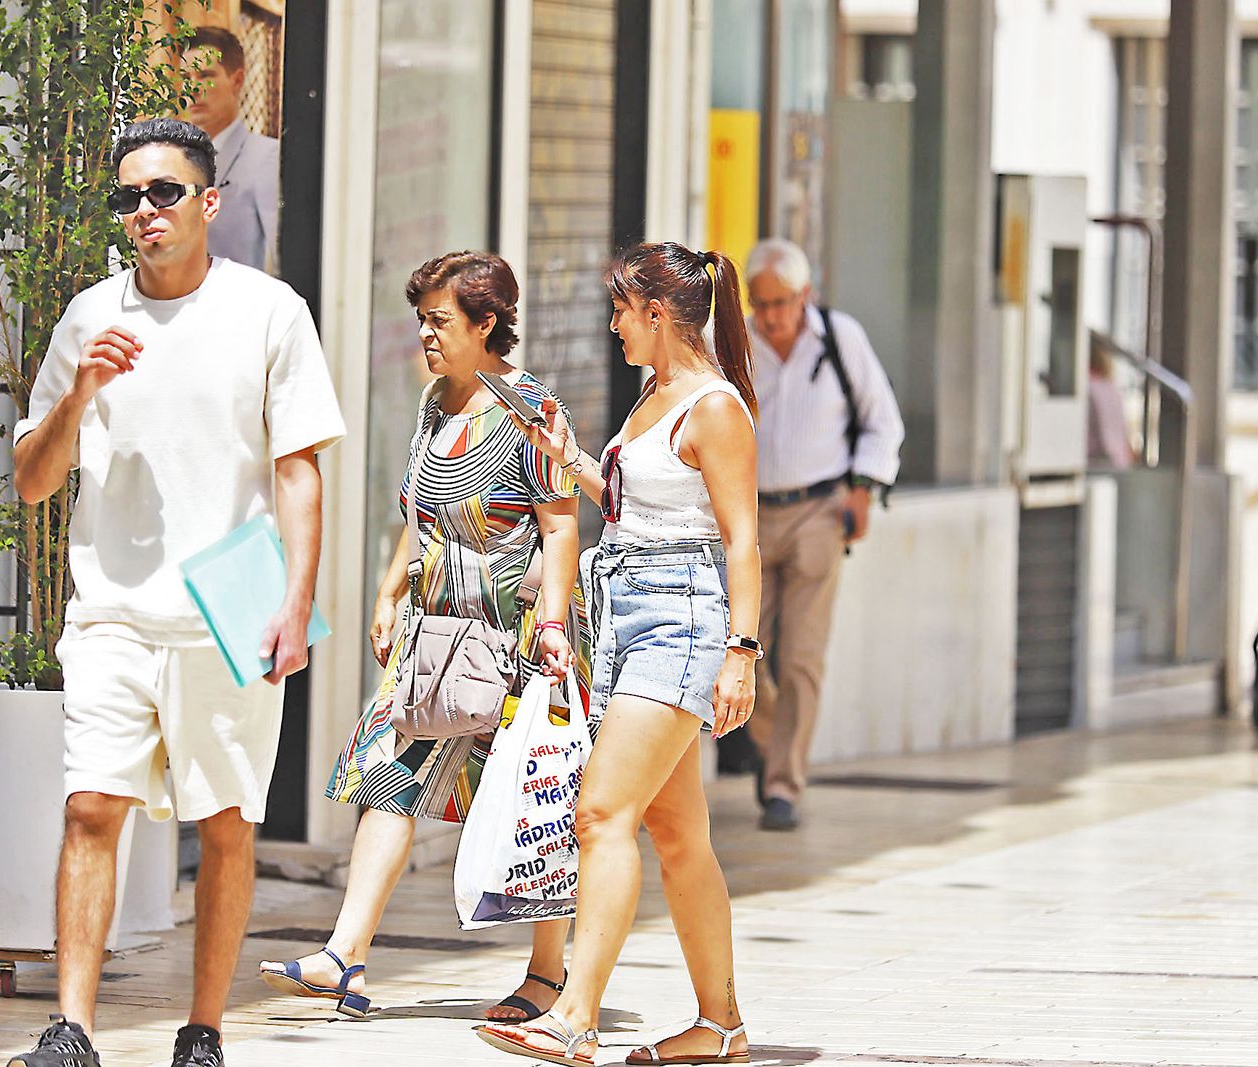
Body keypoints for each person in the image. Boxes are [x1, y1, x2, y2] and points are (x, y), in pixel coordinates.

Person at [8, 118, 346, 1067]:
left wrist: (295, 600)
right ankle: (72, 1030)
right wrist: (78, 393)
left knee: (228, 824)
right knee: (90, 808)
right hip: (110, 608)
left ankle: (203, 1031)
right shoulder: (89, 317)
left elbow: (298, 469)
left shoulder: (270, 311)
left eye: (165, 191)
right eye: (129, 196)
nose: (145, 210)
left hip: (230, 604)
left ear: (209, 201)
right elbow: (32, 480)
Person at [258, 251, 587, 1023]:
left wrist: (550, 626)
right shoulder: (434, 404)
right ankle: (344, 956)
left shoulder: (530, 411)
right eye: (422, 322)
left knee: (535, 799)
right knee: (388, 776)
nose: (426, 336)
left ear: (486, 323)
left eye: (439, 321)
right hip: (435, 639)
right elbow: (419, 511)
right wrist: (389, 588)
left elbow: (561, 527)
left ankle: (547, 973)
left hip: (514, 642)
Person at [478, 241, 761, 1066]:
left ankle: (574, 1014)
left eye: (620, 310)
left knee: (601, 812)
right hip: (627, 615)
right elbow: (638, 510)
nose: (613, 326)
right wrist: (568, 456)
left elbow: (742, 540)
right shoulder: (653, 397)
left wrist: (741, 652)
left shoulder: (714, 407)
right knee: (677, 833)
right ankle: (721, 1025)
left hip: (681, 620)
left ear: (657, 313)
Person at [741, 237, 903, 831]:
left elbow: (883, 423)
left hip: (818, 512)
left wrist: (862, 490)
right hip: (750, 518)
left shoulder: (840, 338)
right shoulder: (735, 342)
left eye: (781, 302)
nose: (771, 316)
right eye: (760, 303)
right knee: (746, 650)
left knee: (802, 658)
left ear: (805, 294)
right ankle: (772, 741)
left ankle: (784, 784)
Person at [184, 26, 280, 272]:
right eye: (186, 78)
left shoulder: (265, 157)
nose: (193, 88)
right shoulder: (176, 161)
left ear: (236, 80)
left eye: (205, 76)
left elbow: (283, 257)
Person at [1087, 332, 1135, 469]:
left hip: (1098, 463)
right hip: (1120, 463)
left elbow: (1104, 439)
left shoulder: (1087, 387)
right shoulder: (1112, 389)